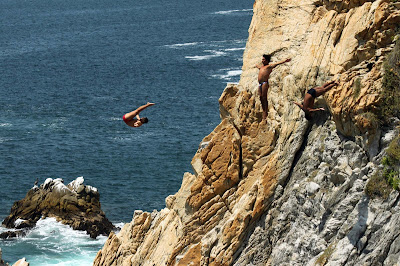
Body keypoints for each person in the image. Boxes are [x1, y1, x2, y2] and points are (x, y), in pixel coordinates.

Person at [256, 54, 291, 119]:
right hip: (260, 83)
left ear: (267, 60)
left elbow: (277, 63)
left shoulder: (269, 66)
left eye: (263, 59)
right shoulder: (261, 67)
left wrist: (285, 61)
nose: (262, 61)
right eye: (262, 59)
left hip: (264, 83)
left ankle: (265, 111)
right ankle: (263, 109)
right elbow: (257, 66)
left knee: (264, 97)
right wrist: (256, 65)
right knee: (260, 97)